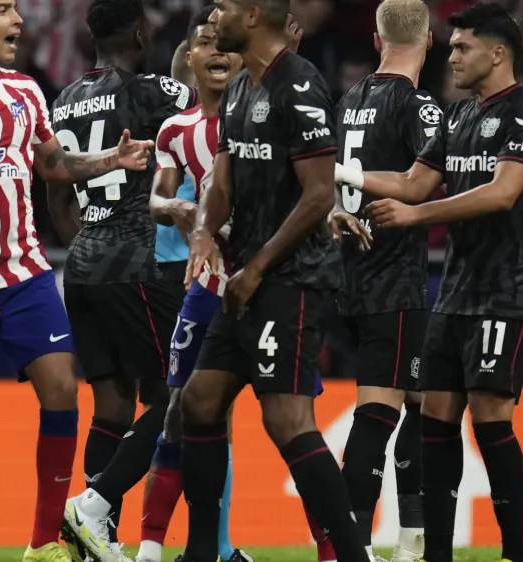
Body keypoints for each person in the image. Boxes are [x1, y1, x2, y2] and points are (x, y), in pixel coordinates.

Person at [0, 0, 155, 559]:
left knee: (62, 389)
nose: (18, 20)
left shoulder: (25, 91)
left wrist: (110, 159)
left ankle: (44, 544)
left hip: (24, 270)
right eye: (3, 9)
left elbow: (53, 164)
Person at [336, 4, 523, 562]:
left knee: (490, 419)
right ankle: (435, 554)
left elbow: (502, 192)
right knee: (434, 419)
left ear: (497, 53)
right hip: (454, 294)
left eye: (462, 47)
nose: (450, 55)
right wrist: (335, 172)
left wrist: (418, 216)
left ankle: (515, 553)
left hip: (505, 293)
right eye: (450, 46)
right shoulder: (456, 116)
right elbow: (413, 182)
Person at [180, 0, 370, 560]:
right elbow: (222, 182)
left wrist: (258, 267)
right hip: (246, 278)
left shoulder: (300, 85)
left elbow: (319, 194)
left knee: (287, 417)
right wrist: (204, 232)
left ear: (253, 15)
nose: (215, 17)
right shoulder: (241, 87)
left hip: (292, 279)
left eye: (224, 7)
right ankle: (202, 554)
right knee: (199, 401)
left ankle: (351, 554)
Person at [142, 8, 325, 562]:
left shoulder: (278, 97)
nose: (217, 48)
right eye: (204, 41)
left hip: (274, 278)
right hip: (213, 283)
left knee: (288, 419)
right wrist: (186, 219)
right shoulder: (183, 127)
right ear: (190, 59)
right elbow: (171, 195)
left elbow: (311, 187)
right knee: (188, 405)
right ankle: (166, 547)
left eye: (221, 38)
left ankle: (334, 546)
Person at [49, 1, 198, 561]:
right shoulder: (157, 92)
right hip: (136, 260)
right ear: (138, 34)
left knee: (111, 405)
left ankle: (98, 538)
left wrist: (90, 242)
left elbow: (56, 193)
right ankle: (95, 504)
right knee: (177, 396)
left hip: (82, 261)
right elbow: (211, 116)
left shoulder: (63, 99)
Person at [328, 1, 438, 561]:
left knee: (420, 399)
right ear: (430, 41)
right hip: (392, 279)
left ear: (376, 40)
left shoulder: (349, 99)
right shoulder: (416, 105)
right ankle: (353, 546)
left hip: (346, 275)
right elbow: (422, 183)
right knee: (379, 411)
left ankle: (412, 539)